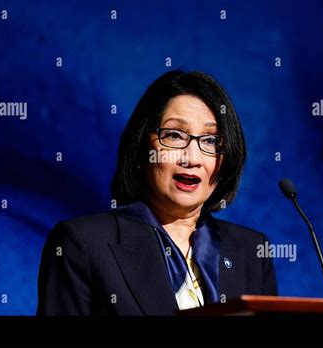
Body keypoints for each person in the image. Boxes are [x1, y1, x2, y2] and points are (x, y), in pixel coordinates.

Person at [37, 70, 278, 315]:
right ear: (142, 146)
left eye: (210, 140)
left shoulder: (251, 249)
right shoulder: (83, 243)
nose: (192, 158)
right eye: (174, 135)